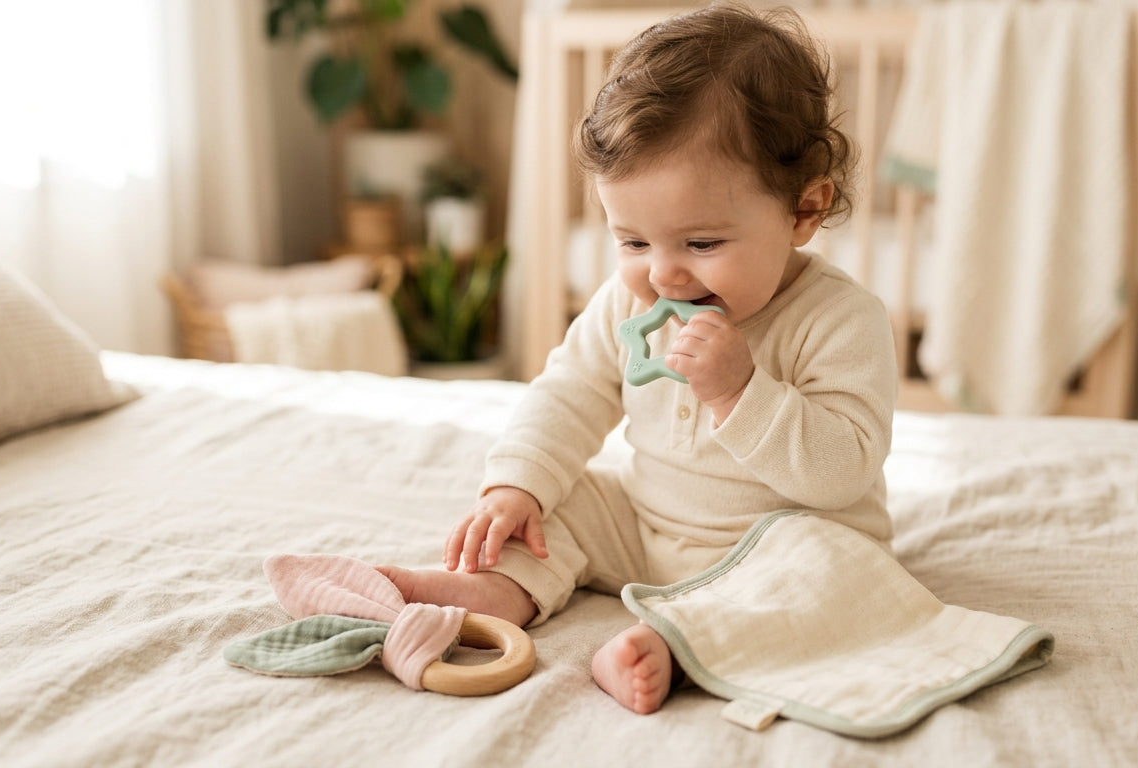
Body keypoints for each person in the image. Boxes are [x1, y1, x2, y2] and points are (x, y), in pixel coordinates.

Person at [379, 2, 897, 714]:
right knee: (571, 501)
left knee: (835, 585)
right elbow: (569, 393)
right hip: (650, 524)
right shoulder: (630, 307)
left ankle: (680, 644)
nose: (665, 277)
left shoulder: (842, 320)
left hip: (785, 542)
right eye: (633, 242)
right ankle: (495, 589)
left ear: (804, 211)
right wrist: (518, 487)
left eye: (702, 244)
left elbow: (846, 471)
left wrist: (741, 391)